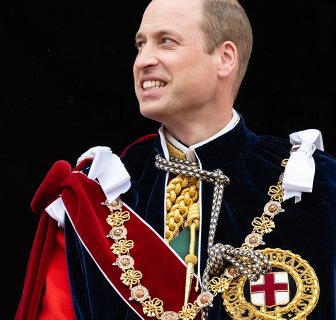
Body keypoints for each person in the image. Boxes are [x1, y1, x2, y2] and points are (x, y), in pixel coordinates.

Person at [16, 0, 335, 319]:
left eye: (165, 41)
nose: (143, 60)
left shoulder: (316, 184)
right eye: (140, 45)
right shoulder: (98, 196)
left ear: (224, 59)